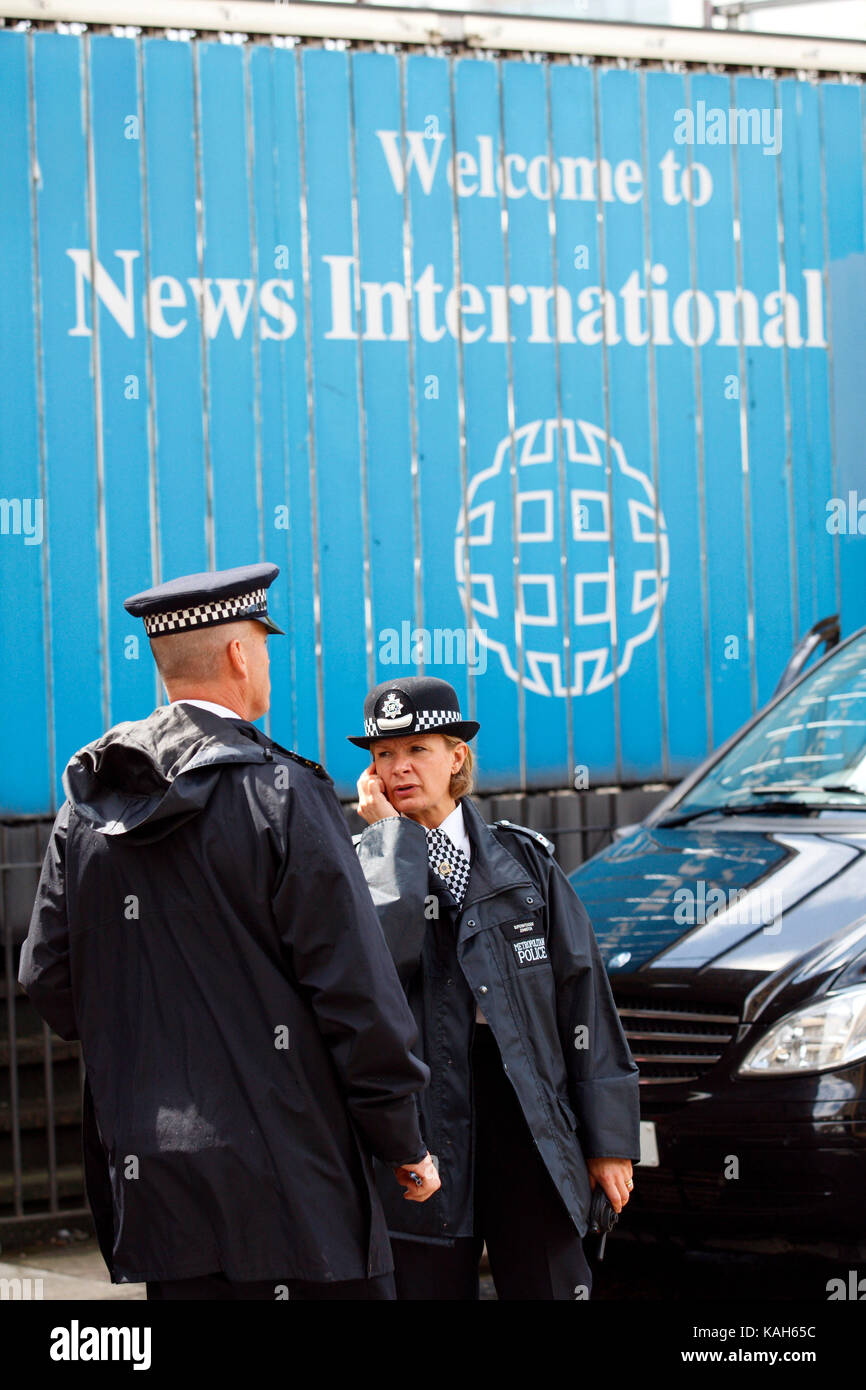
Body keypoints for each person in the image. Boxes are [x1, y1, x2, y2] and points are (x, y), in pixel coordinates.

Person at [19, 562, 439, 1302]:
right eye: (263, 646)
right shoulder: (282, 791)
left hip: (158, 1180)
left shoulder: (87, 803)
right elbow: (355, 993)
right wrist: (400, 1138)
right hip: (298, 1185)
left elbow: (48, 981)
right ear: (240, 655)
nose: (268, 664)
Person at [350, 675, 640, 1301]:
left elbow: (583, 996)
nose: (399, 768)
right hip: (421, 1125)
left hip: (528, 1117)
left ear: (456, 758)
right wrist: (387, 849)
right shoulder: (357, 868)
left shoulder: (524, 861)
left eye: (416, 750)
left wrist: (610, 1140)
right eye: (383, 755)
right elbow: (373, 973)